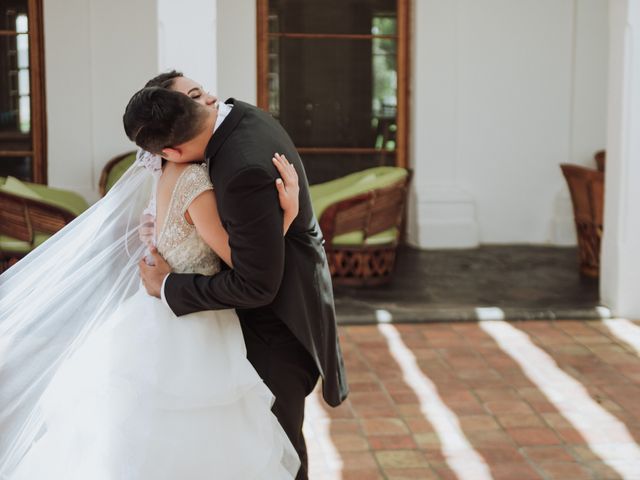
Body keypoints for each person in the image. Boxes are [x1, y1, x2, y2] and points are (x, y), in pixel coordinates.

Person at [0, 102, 301, 478]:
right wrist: (287, 214)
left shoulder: (163, 172)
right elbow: (244, 263)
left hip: (154, 312)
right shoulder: (194, 184)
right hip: (194, 327)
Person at [130, 71, 349, 480]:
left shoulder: (233, 167)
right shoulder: (242, 117)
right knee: (247, 446)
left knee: (273, 450)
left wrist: (166, 285)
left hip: (276, 325)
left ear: (170, 150)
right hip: (222, 324)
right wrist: (282, 219)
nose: (206, 96)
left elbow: (256, 282)